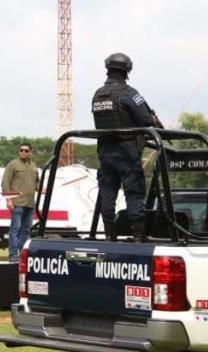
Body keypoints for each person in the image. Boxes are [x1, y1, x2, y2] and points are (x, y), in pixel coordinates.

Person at [91, 52, 162, 241]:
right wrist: (154, 120)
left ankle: (108, 235)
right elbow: (145, 119)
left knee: (107, 194)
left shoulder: (97, 95)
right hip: (127, 152)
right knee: (134, 193)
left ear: (108, 69)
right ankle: (138, 235)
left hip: (106, 152)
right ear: (127, 70)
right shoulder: (129, 93)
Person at [2, 142, 39, 263]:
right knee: (15, 229)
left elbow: (36, 183)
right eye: (21, 150)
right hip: (17, 203)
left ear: (30, 152)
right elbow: (5, 183)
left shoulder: (33, 166)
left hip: (30, 204)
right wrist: (9, 199)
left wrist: (41, 188)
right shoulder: (13, 164)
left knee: (26, 231)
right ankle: (13, 255)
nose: (23, 152)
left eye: (26, 151)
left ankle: (24, 255)